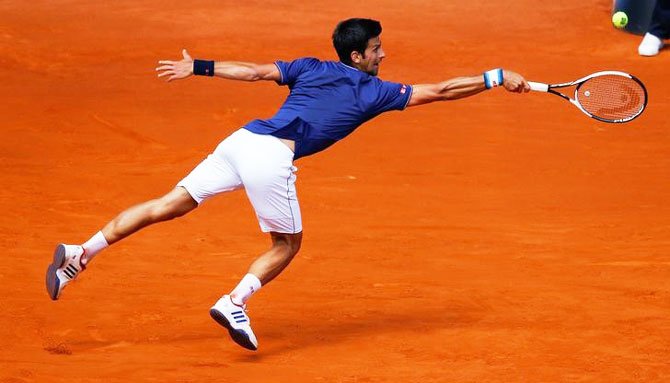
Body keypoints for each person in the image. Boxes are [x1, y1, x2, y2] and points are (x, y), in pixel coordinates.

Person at [46, 18, 530, 351]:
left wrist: (199, 67)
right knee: (287, 244)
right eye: (378, 49)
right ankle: (234, 303)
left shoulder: (310, 66)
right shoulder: (376, 91)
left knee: (171, 203)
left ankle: (79, 253)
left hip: (241, 140)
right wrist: (495, 76)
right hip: (272, 156)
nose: (384, 55)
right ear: (358, 55)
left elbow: (255, 72)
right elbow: (443, 90)